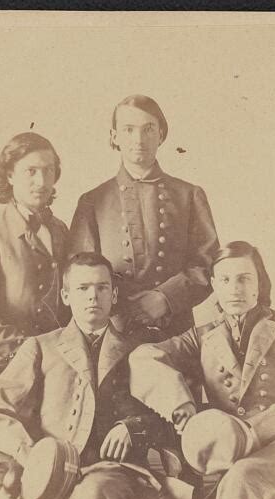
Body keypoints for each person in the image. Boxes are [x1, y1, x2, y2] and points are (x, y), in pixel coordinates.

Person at [0, 252, 183, 499]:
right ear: (66, 295)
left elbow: (172, 415)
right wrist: (35, 457)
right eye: (83, 288)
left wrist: (133, 427)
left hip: (117, 472)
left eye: (102, 288)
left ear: (114, 295)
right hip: (55, 475)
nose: (93, 296)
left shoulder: (140, 347)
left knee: (93, 495)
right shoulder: (40, 348)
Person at [129, 241, 275, 499]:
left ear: (260, 283)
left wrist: (264, 425)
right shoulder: (202, 337)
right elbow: (143, 358)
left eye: (244, 279)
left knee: (242, 478)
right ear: (213, 285)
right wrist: (183, 410)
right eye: (225, 280)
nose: (235, 289)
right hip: (226, 453)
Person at [69, 94, 219, 337]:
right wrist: (128, 303)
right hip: (114, 330)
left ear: (161, 135)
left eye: (148, 129)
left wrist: (165, 298)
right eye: (128, 130)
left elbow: (208, 264)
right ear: (114, 137)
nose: (138, 139)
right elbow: (80, 272)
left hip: (176, 330)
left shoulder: (189, 195)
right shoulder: (92, 201)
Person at [0, 132, 70, 382]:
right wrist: (26, 349)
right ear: (10, 175)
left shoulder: (59, 230)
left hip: (56, 364)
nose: (42, 182)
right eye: (30, 171)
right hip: (5, 366)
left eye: (48, 170)